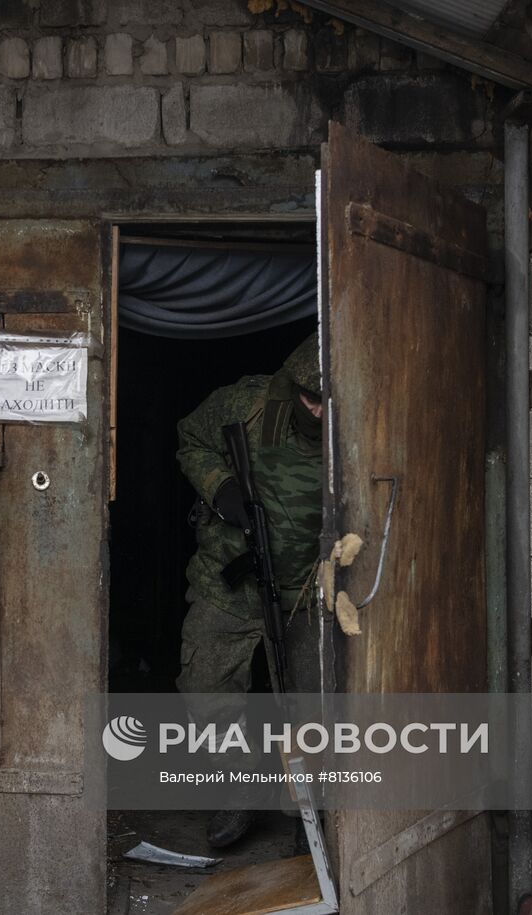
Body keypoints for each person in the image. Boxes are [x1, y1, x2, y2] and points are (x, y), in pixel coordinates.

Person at [174, 332, 325, 847]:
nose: (320, 413)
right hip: (229, 578)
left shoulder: (363, 424)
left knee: (310, 705)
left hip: (307, 592)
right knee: (206, 686)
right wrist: (223, 488)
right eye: (310, 400)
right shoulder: (250, 403)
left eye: (330, 403)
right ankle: (238, 783)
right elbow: (190, 437)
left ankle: (306, 807)